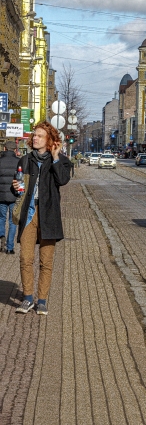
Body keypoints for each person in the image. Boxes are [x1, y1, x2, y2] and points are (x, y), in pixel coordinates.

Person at [14, 121, 72, 315]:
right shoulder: (25, 160)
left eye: (39, 135)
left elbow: (62, 180)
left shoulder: (61, 161)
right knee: (25, 258)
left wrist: (55, 157)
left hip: (49, 214)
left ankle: (42, 300)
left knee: (46, 261)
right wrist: (15, 187)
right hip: (29, 212)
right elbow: (18, 188)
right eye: (34, 135)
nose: (35, 138)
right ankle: (28, 298)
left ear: (50, 141)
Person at [0, 140, 19, 254]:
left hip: (1, 196)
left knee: (1, 218)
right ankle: (10, 248)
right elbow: (21, 180)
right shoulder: (19, 162)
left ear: (4, 149)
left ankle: (1, 235)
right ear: (15, 150)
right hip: (14, 196)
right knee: (13, 222)